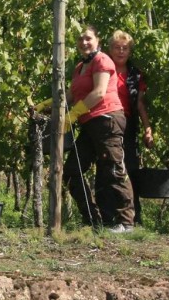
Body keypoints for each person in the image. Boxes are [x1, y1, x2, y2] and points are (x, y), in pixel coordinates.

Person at [62, 25, 135, 233]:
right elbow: (70, 95)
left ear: (97, 40)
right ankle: (93, 219)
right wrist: (46, 105)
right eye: (80, 39)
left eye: (88, 38)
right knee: (72, 171)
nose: (84, 42)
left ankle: (126, 222)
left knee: (114, 169)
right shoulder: (79, 67)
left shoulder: (102, 60)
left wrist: (73, 114)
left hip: (107, 119)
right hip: (89, 124)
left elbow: (99, 92)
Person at [107, 31, 153, 223]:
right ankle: (109, 215)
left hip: (127, 126)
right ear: (110, 50)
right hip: (106, 124)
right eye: (117, 47)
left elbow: (140, 104)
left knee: (130, 168)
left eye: (125, 48)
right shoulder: (103, 69)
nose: (121, 51)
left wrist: (147, 128)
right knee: (108, 168)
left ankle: (134, 215)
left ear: (130, 51)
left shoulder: (135, 74)